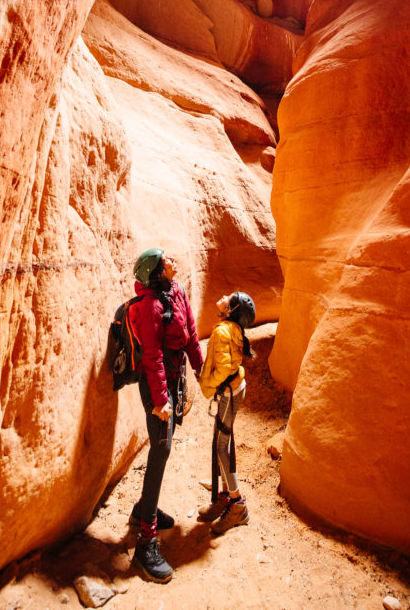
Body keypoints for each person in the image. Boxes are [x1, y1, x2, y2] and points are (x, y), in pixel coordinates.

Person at [128, 248, 203, 583]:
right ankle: (146, 542)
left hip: (174, 378)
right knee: (162, 448)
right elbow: (153, 354)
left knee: (163, 447)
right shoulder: (150, 305)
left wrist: (202, 370)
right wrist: (161, 400)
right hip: (156, 383)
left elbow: (190, 333)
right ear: (157, 271)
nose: (173, 259)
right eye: (166, 259)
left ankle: (144, 508)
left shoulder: (177, 291)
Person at [197, 290, 256, 534]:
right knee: (221, 443)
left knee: (222, 447)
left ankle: (237, 504)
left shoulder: (223, 331)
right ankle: (223, 496)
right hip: (233, 390)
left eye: (229, 298)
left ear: (231, 311)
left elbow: (222, 371)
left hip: (228, 393)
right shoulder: (230, 328)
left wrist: (207, 385)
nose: (222, 296)